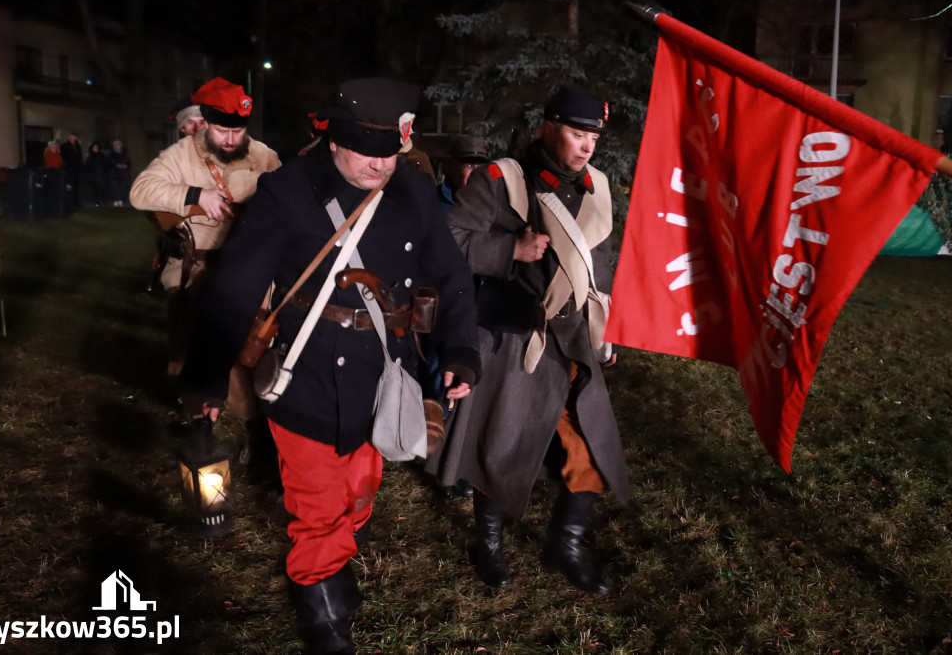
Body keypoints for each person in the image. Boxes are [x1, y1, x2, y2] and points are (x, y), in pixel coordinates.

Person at [178, 77, 480, 654]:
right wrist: (205, 380)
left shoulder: (414, 189)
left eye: (391, 151)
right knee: (316, 498)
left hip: (385, 374)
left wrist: (461, 349)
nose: (381, 165)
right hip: (307, 372)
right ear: (335, 141)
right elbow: (235, 290)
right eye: (370, 152)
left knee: (361, 486)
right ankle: (320, 602)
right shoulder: (286, 193)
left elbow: (451, 276)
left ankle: (338, 550)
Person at [427, 85, 631, 595]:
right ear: (547, 127)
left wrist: (608, 328)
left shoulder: (597, 187)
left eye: (594, 137)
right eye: (576, 133)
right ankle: (489, 546)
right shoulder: (503, 179)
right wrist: (508, 249)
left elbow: (598, 259)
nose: (587, 146)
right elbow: (449, 240)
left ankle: (563, 546)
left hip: (574, 339)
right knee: (502, 445)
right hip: (513, 336)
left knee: (587, 448)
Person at [130, 76, 282, 482]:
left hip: (252, 271)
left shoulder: (264, 156)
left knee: (252, 356)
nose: (230, 138)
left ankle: (259, 435)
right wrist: (195, 196)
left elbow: (290, 194)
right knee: (198, 352)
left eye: (237, 130)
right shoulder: (180, 155)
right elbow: (141, 190)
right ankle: (203, 433)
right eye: (220, 129)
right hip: (200, 268)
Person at [438, 134, 489, 210]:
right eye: (468, 166)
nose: (476, 172)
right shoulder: (433, 201)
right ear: (451, 168)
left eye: (481, 166)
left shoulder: (492, 205)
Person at [83, 141, 110, 207]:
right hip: (94, 176)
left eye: (97, 147)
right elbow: (87, 166)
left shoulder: (102, 155)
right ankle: (97, 202)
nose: (96, 148)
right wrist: (89, 175)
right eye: (94, 147)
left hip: (102, 175)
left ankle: (104, 201)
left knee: (103, 190)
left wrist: (105, 173)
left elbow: (106, 164)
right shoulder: (90, 156)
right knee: (95, 190)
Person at [60, 132, 84, 207]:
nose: (72, 138)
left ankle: (76, 202)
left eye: (74, 137)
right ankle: (69, 203)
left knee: (76, 187)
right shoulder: (64, 146)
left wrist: (81, 167)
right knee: (69, 186)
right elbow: (63, 157)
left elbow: (80, 157)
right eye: (71, 136)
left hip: (77, 169)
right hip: (69, 168)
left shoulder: (78, 146)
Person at [108, 140, 131, 206]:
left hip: (123, 174)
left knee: (122, 187)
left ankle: (121, 200)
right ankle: (116, 200)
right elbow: (111, 163)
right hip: (114, 174)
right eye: (116, 145)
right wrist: (117, 165)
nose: (118, 146)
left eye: (119, 145)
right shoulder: (111, 154)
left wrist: (123, 166)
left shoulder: (124, 154)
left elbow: (127, 163)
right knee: (115, 187)